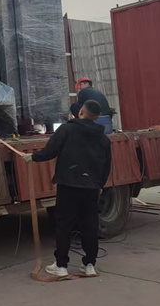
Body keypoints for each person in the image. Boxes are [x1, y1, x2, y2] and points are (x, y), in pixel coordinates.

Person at [22, 99, 112, 277]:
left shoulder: (67, 129)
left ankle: (61, 265)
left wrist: (33, 157)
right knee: (90, 225)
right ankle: (90, 265)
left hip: (69, 184)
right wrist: (99, 185)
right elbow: (107, 165)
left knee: (64, 224)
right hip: (91, 186)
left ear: (80, 113)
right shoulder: (103, 138)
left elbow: (51, 151)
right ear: (97, 117)